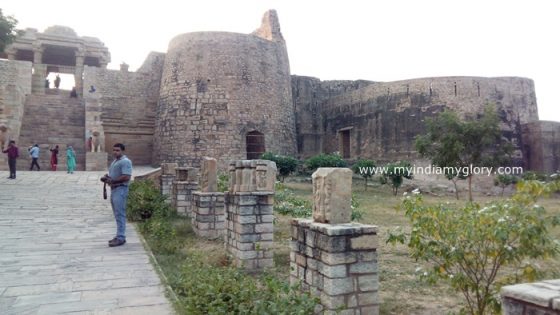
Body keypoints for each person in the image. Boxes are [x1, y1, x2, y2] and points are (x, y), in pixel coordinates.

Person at [101, 143, 132, 247]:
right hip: (114, 189)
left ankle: (121, 237)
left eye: (118, 150)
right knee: (117, 214)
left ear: (122, 151)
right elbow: (115, 175)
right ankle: (119, 235)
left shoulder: (125, 162)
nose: (115, 152)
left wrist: (113, 180)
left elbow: (126, 176)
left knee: (120, 214)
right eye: (114, 150)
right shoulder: (115, 161)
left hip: (121, 189)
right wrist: (107, 178)